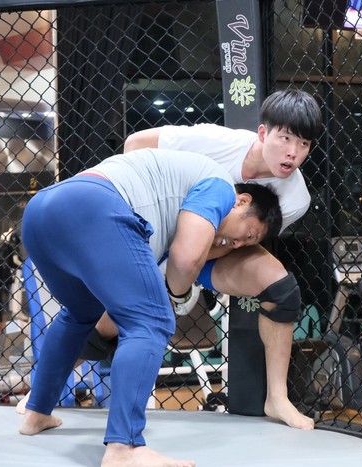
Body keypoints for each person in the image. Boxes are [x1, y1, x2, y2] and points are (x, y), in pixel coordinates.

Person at [18, 88, 322, 430]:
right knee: (108, 320)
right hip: (153, 226)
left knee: (280, 288)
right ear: (263, 133)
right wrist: (144, 208)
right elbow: (136, 143)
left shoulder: (295, 197)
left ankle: (277, 397)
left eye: (304, 144)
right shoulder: (217, 145)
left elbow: (242, 240)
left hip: (216, 246)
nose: (293, 152)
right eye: (285, 139)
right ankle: (47, 397)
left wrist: (196, 257)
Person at [18, 148, 282, 467]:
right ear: (242, 202)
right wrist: (180, 299)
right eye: (248, 234)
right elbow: (185, 260)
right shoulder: (222, 186)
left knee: (79, 314)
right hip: (94, 205)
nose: (237, 244)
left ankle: (36, 413)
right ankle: (124, 447)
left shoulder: (172, 209)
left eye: (246, 246)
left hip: (42, 212)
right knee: (151, 321)